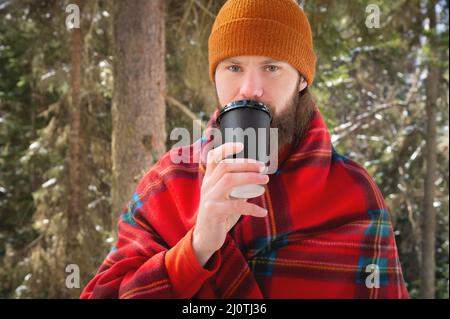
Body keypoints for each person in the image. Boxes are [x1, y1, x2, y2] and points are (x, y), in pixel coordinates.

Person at [81, 0, 409, 299]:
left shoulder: (352, 192)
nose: (250, 89)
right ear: (215, 76)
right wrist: (198, 246)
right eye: (234, 67)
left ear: (302, 79)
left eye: (271, 67)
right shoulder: (170, 181)